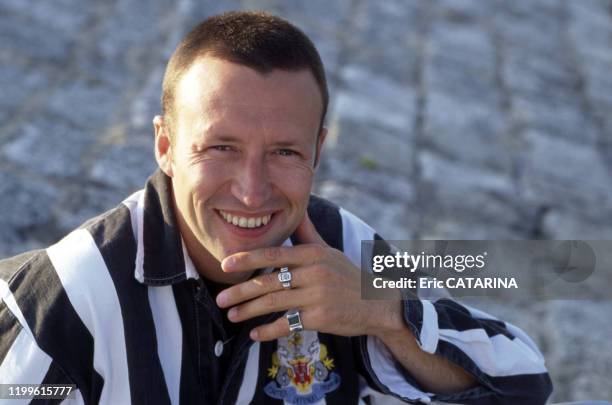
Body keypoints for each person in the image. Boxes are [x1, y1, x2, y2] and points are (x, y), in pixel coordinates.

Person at [0, 11, 552, 405]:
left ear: (318, 150)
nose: (251, 191)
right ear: (165, 146)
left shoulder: (345, 251)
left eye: (285, 152)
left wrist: (385, 313)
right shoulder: (64, 301)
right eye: (221, 147)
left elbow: (525, 381)